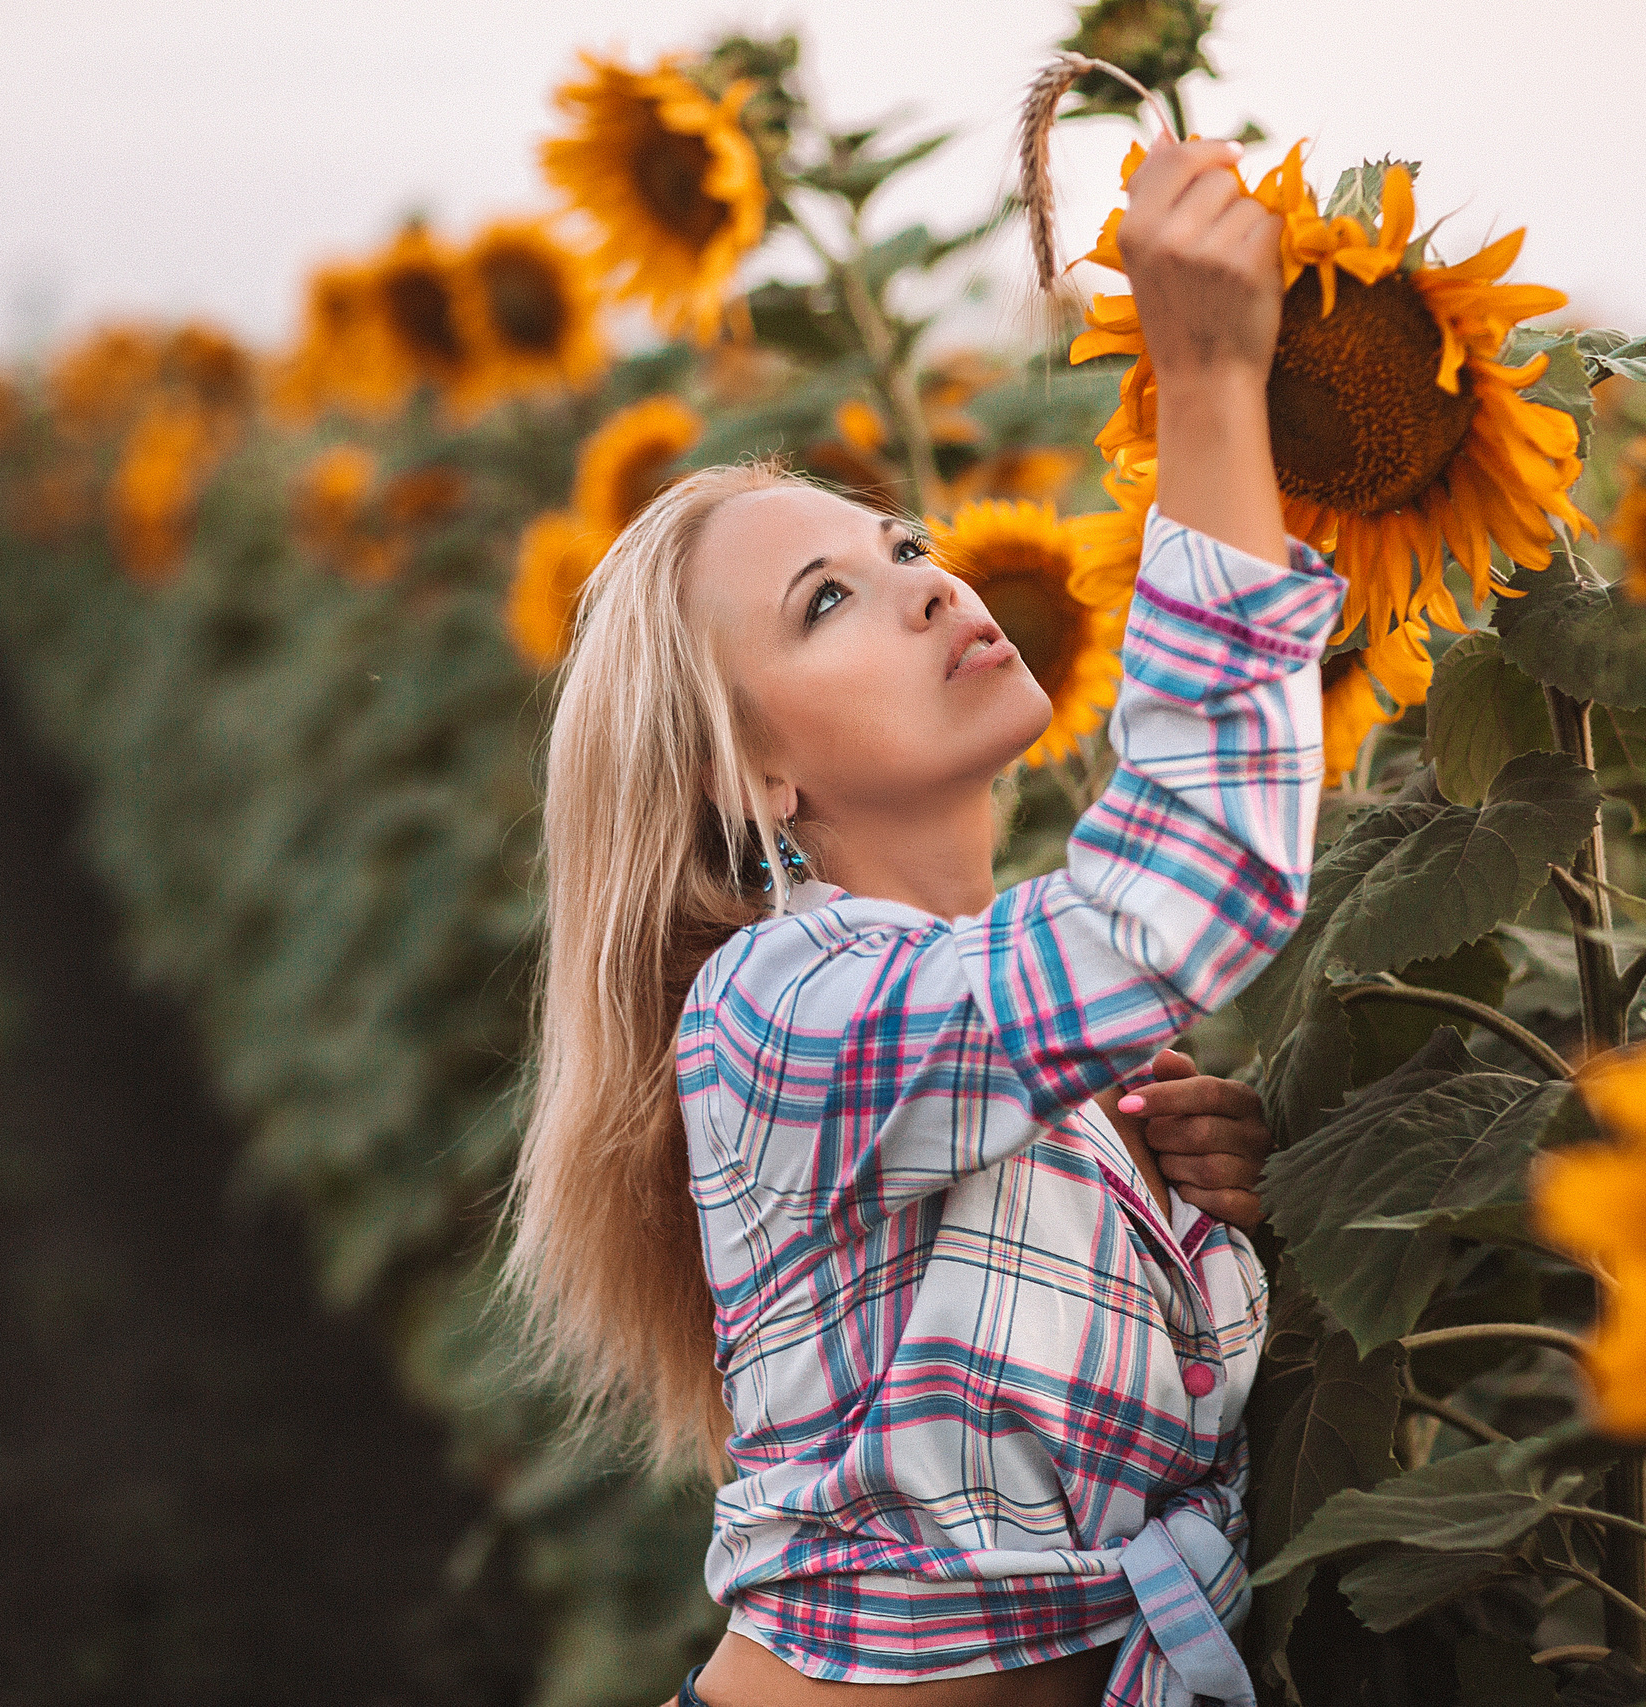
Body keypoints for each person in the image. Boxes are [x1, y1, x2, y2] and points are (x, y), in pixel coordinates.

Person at [509, 137, 1338, 1707]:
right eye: (825, 603)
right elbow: (1189, 879)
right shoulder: (768, 1010)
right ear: (746, 773)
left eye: (899, 547)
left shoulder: (1054, 1052)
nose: (930, 584)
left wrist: (1213, 1210)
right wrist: (1212, 380)